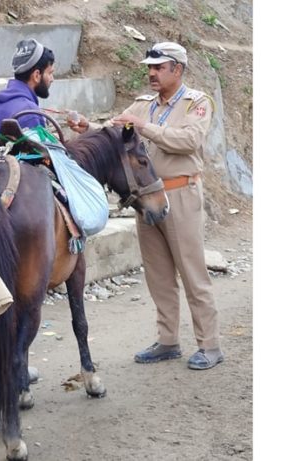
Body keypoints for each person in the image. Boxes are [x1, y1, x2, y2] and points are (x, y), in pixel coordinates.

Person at [68, 42, 224, 370]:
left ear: (177, 69)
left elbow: (189, 141)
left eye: (159, 67)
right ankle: (168, 340)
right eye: (149, 67)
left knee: (192, 271)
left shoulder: (196, 103)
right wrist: (88, 129)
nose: (151, 73)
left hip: (181, 193)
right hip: (145, 197)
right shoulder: (143, 105)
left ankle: (209, 345)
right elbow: (115, 133)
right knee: (158, 273)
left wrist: (144, 127)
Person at [0, 38, 55, 150]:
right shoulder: (30, 114)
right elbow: (40, 164)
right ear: (37, 75)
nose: (52, 79)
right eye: (50, 73)